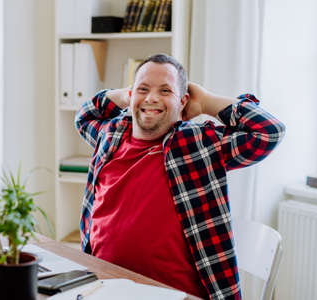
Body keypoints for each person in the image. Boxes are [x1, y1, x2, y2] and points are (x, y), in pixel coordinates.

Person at [74, 53, 285, 300]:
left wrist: (205, 101)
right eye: (143, 89)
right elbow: (84, 115)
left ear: (183, 101)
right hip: (103, 284)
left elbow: (269, 131)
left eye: (165, 91)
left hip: (175, 295)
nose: (152, 98)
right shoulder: (111, 135)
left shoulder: (198, 144)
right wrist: (125, 95)